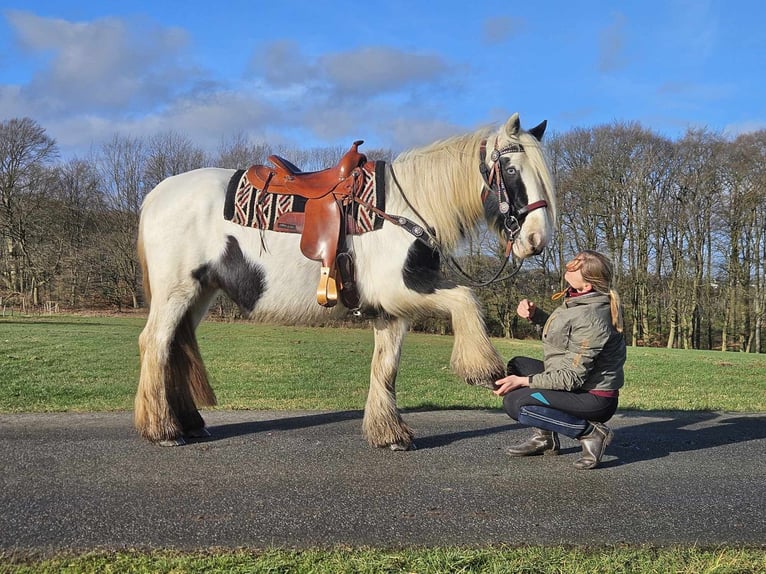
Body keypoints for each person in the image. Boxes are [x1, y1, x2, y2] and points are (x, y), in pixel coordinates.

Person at [493, 250, 626, 470]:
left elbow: (570, 378)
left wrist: (524, 382)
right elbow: (563, 337)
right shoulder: (579, 299)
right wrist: (536, 316)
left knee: (515, 403)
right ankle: (544, 439)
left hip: (593, 398)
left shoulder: (592, 318)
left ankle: (591, 433)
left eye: (576, 266)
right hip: (579, 385)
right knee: (518, 365)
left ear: (587, 286)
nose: (569, 266)